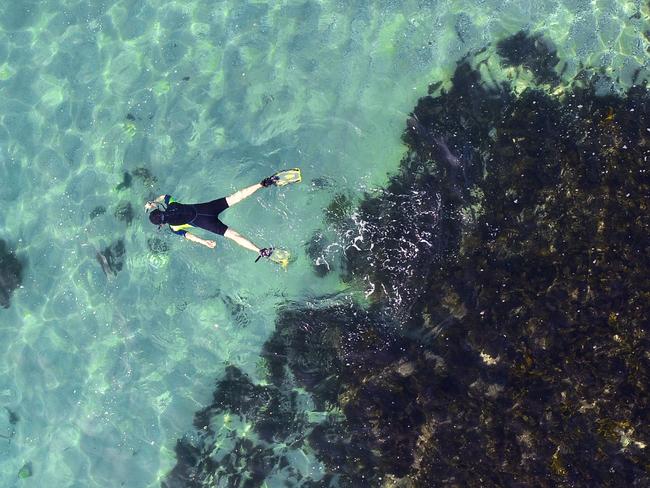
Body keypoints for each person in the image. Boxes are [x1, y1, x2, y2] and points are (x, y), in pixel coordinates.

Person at [145, 170, 300, 261]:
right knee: (236, 197)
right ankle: (265, 183)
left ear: (161, 224)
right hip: (208, 207)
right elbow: (165, 196)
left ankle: (261, 251)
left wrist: (204, 242)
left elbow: (190, 236)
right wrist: (153, 201)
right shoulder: (172, 204)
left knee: (234, 235)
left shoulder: (173, 227)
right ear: (160, 211)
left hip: (206, 223)